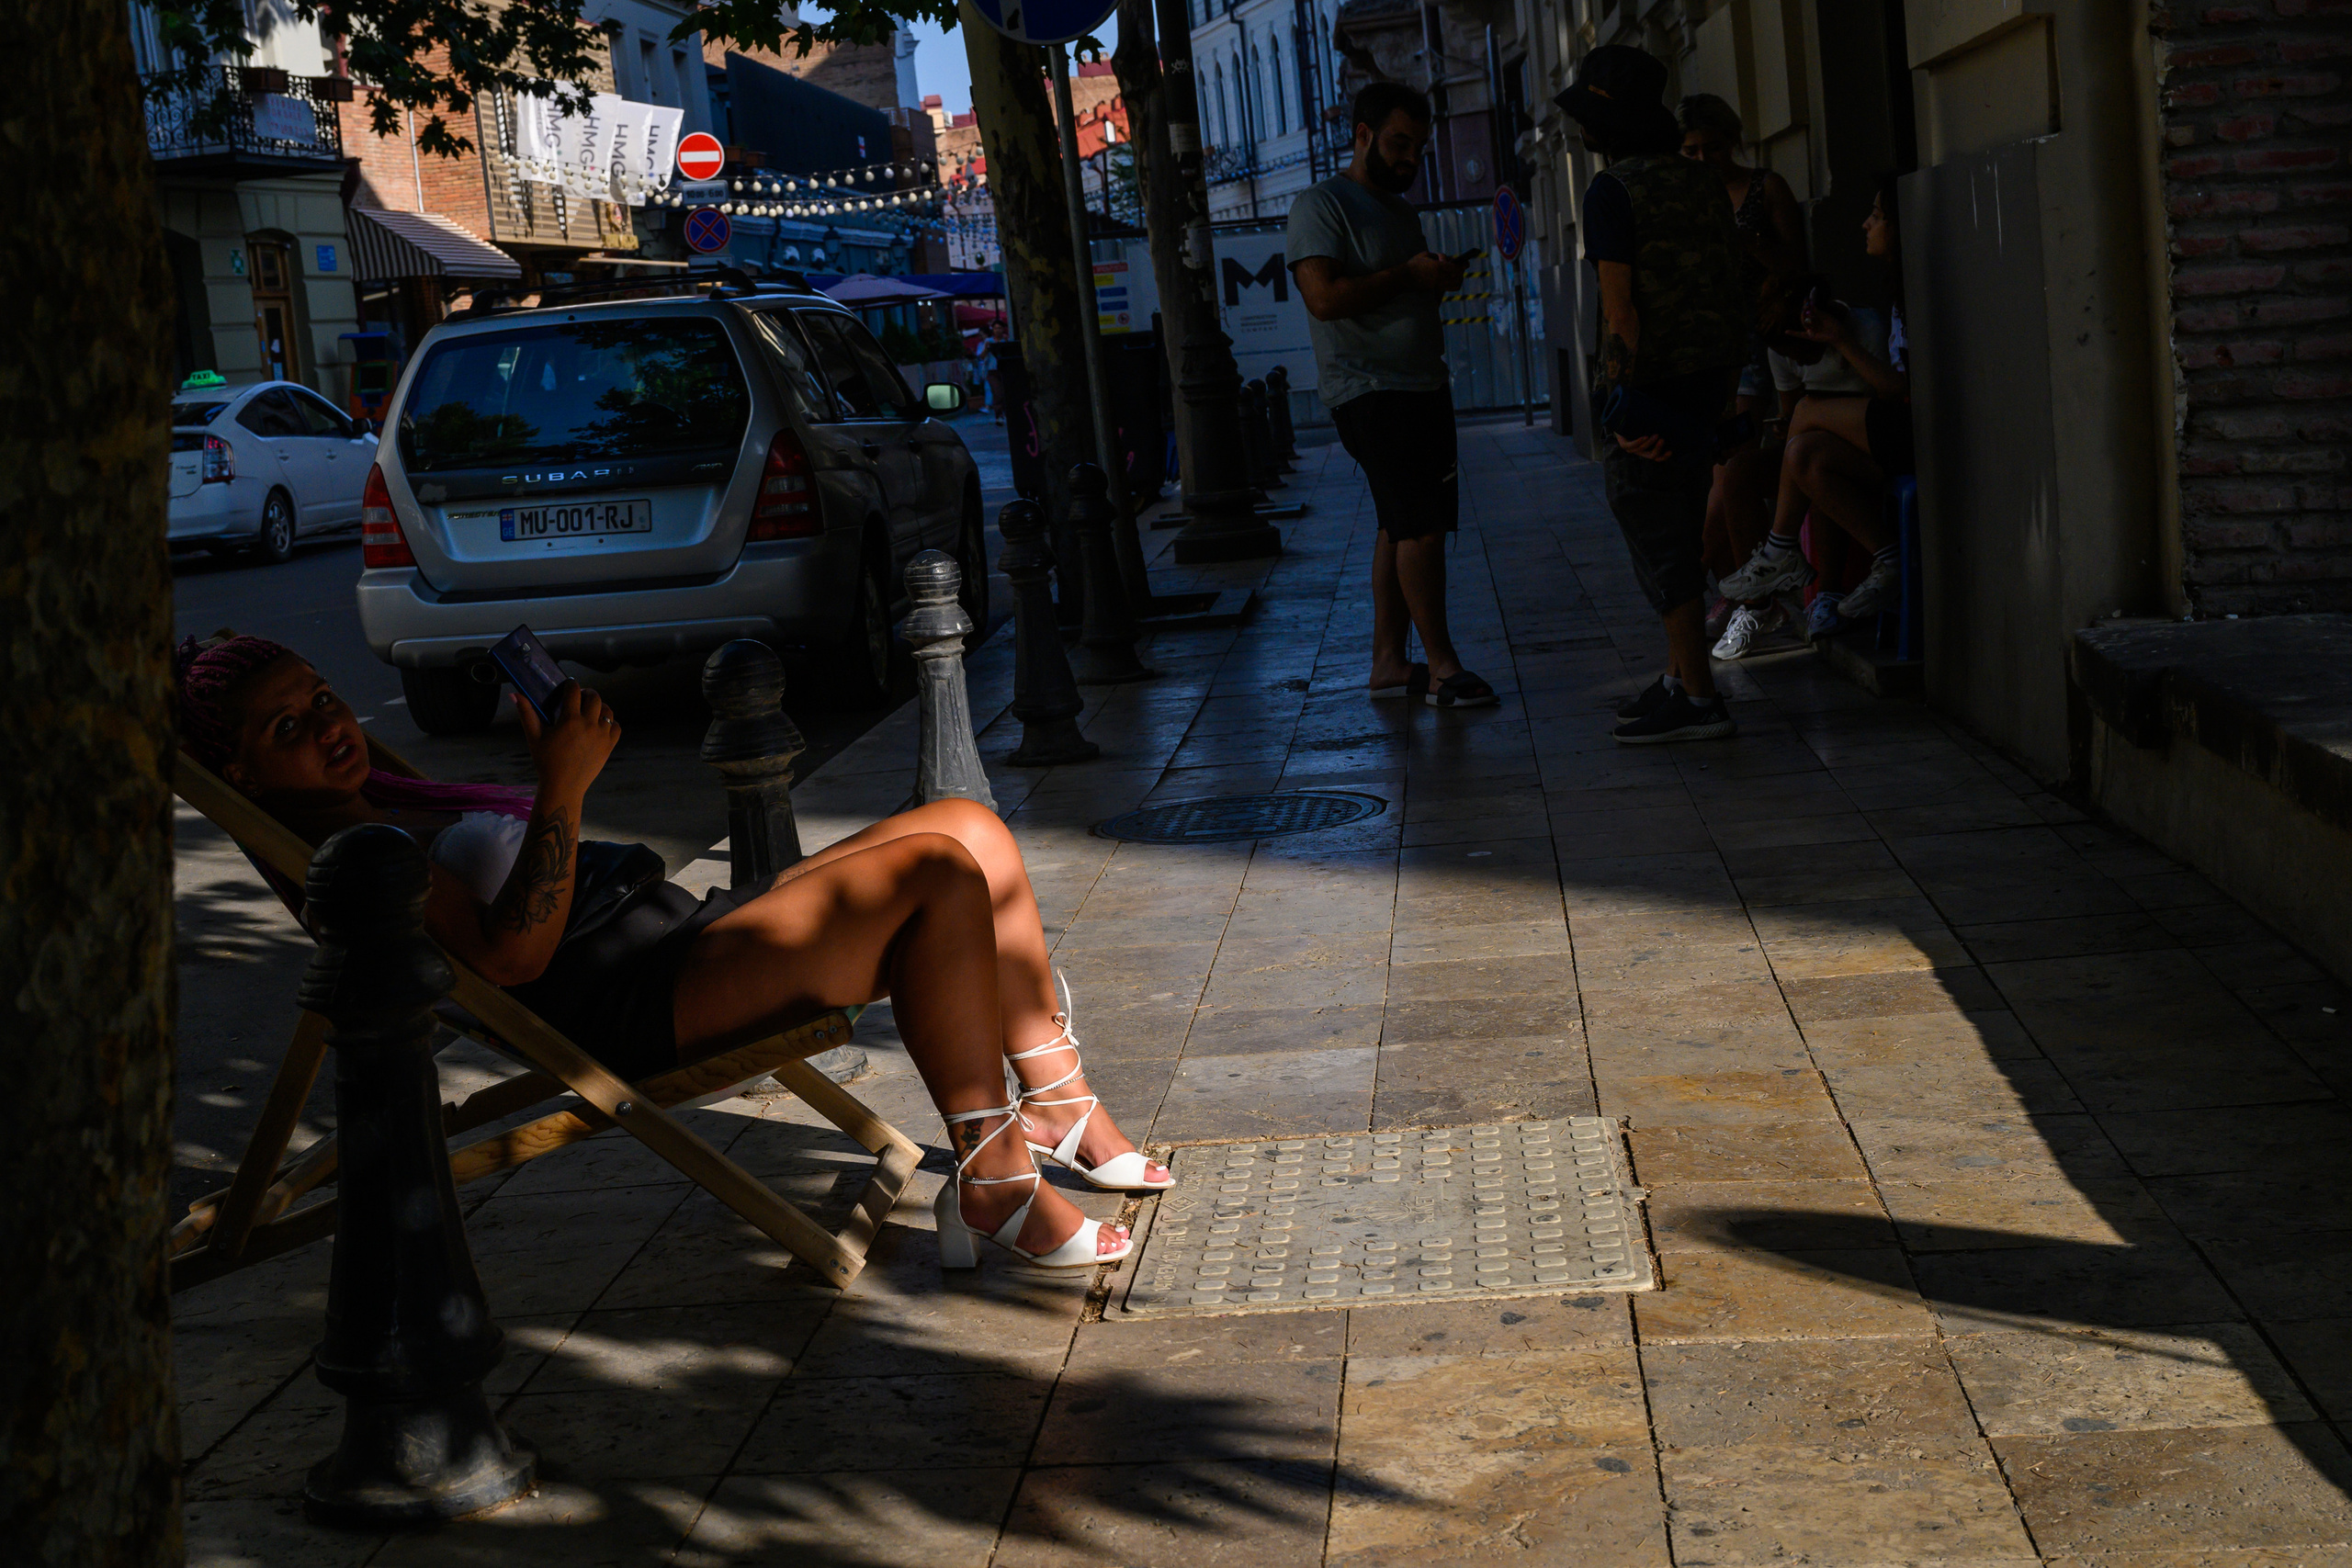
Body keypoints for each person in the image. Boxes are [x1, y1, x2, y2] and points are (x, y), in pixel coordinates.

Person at [175, 634, 1169, 1272]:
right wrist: (559, 783)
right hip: (633, 1000)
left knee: (966, 826)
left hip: (669, 935)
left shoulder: (388, 802)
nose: (330, 726)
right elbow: (513, 963)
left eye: (321, 697)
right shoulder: (366, 858)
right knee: (940, 877)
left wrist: (546, 768)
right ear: (239, 770)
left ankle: (1055, 1100)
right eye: (288, 727)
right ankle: (993, 1176)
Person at [1558, 47, 1754, 743]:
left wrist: (1620, 406)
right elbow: (1732, 285)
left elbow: (1621, 313)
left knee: (1656, 531)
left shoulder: (1614, 191)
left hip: (1654, 386)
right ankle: (1678, 675)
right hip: (1709, 381)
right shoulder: (1701, 182)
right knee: (1681, 521)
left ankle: (1700, 700)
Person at [1285, 82, 1498, 710]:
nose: (1410, 159)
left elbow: (1399, 291)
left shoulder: (1402, 213)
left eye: (1419, 148)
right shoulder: (1321, 206)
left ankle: (1387, 662)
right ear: (1362, 135)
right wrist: (1408, 274)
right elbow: (1324, 298)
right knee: (1421, 529)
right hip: (1372, 392)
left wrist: (1434, 280)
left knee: (1397, 524)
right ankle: (1442, 668)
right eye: (1400, 144)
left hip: (1420, 384)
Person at [1714, 180, 1914, 624]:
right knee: (1801, 451)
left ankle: (1782, 551)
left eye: (1878, 216)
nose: (1866, 223)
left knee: (1807, 419)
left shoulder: (1871, 321)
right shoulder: (1897, 286)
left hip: (1904, 434)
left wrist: (1840, 342)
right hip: (1873, 439)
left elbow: (1896, 391)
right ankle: (1887, 559)